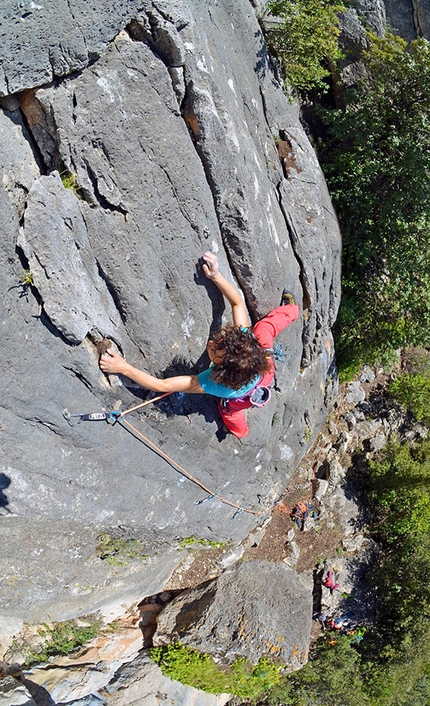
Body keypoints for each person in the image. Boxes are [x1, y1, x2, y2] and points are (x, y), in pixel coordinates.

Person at [99, 252, 299, 438]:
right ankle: (292, 310)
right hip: (263, 370)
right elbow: (237, 303)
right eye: (218, 342)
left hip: (246, 390)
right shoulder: (244, 343)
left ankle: (240, 432)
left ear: (219, 371)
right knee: (265, 328)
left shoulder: (213, 384)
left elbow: (161, 385)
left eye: (214, 350)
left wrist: (122, 367)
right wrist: (216, 276)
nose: (211, 343)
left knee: (229, 412)